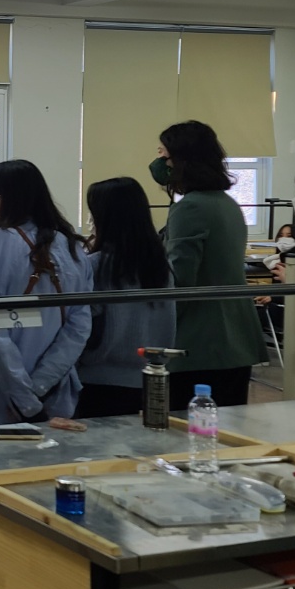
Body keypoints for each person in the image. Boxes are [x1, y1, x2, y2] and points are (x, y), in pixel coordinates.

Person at [0, 159, 93, 426]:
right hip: (57, 387)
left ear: (4, 197)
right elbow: (79, 326)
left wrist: (23, 397)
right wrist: (40, 385)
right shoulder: (72, 247)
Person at [151, 121, 266, 407]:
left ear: (182, 159)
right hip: (235, 339)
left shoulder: (190, 207)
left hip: (201, 343)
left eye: (164, 154)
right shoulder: (227, 204)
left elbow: (180, 280)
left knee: (189, 427)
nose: (160, 161)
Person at [74, 177, 175, 418]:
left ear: (104, 217)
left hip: (96, 380)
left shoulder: (95, 265)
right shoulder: (162, 267)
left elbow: (80, 325)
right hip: (150, 378)